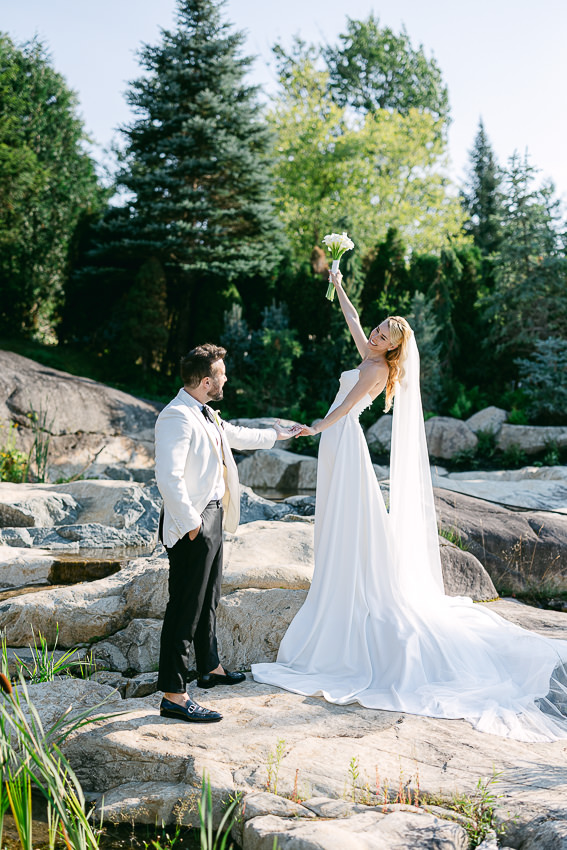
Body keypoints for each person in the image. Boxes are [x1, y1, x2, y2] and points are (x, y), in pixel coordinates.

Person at [252, 271, 567, 742]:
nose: (376, 334)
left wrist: (316, 427)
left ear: (395, 349)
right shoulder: (367, 353)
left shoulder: (377, 370)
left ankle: (357, 586)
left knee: (351, 520)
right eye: (379, 329)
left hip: (343, 440)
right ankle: (341, 577)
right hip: (336, 444)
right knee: (339, 521)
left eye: (385, 335)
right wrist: (338, 282)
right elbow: (353, 317)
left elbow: (346, 408)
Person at [155, 343, 295, 723]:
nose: (226, 378)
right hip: (193, 524)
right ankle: (174, 694)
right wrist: (193, 525)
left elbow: (234, 434)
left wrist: (277, 434)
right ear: (205, 381)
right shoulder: (176, 418)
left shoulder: (205, 413)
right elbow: (168, 478)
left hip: (212, 517)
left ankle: (210, 667)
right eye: (221, 374)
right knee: (185, 607)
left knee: (209, 599)